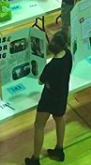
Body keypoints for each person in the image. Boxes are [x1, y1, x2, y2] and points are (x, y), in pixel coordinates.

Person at [24, 32, 72, 165]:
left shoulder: (51, 66)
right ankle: (59, 149)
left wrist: (47, 82)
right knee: (59, 119)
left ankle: (35, 159)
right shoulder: (68, 55)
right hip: (62, 94)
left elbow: (40, 81)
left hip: (49, 98)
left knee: (39, 126)